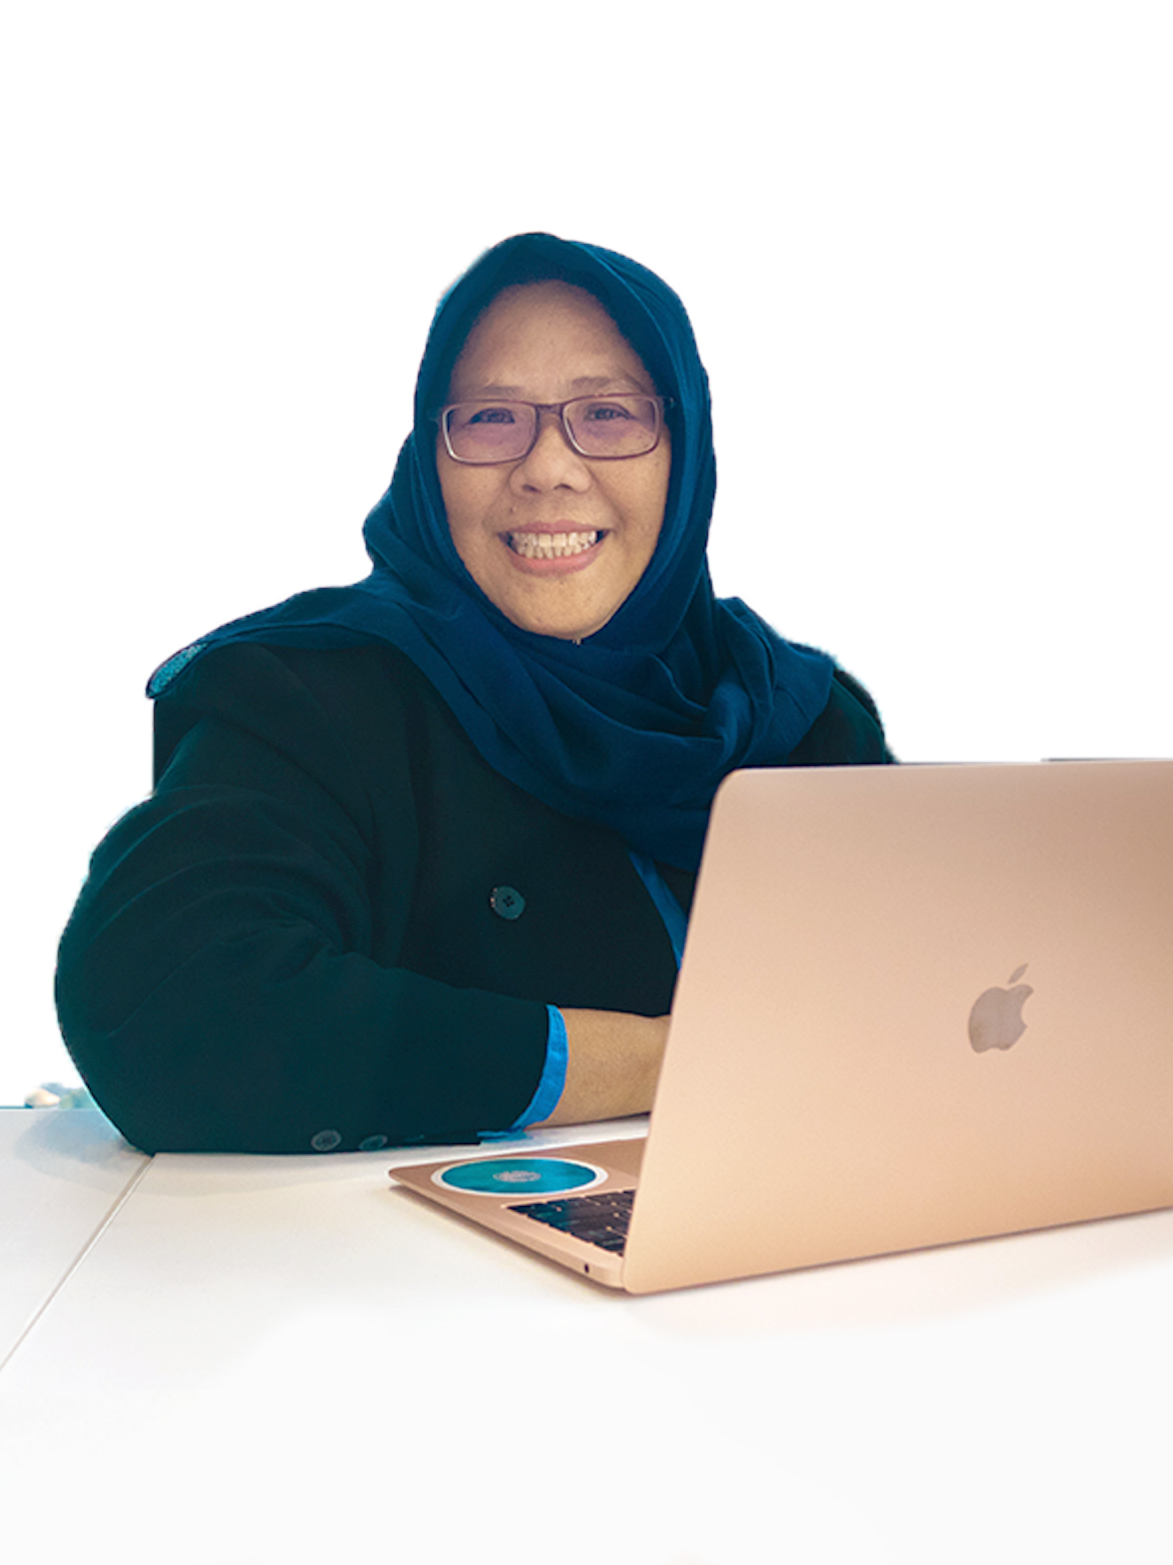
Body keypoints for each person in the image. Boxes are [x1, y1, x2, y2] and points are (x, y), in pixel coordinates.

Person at [56, 232, 892, 1154]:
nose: (548, 467)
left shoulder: (799, 718)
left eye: (608, 414)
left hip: (812, 1249)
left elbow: (937, 992)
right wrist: (667, 1062)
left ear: (684, 449)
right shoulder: (314, 696)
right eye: (492, 418)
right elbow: (171, 1006)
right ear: (431, 454)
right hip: (416, 1278)